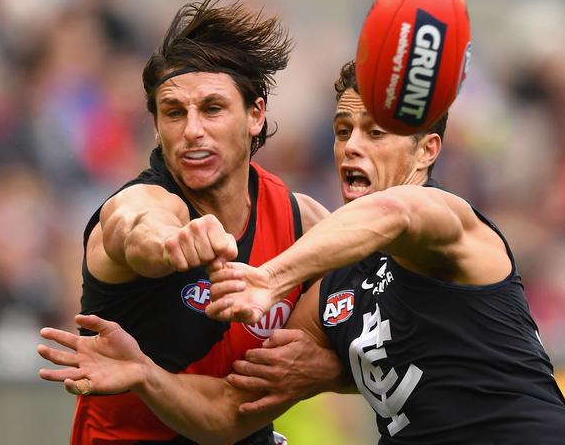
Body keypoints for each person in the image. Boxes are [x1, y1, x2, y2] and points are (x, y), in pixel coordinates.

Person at [39, 60, 565, 444]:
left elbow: (394, 215)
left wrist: (267, 278)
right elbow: (229, 412)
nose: (352, 146)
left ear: (426, 150)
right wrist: (146, 376)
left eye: (376, 132)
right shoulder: (335, 285)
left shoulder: (448, 221)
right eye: (342, 131)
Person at [60, 0, 341, 445]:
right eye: (174, 112)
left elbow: (373, 345)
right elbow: (135, 228)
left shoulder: (303, 223)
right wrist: (170, 244)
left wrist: (329, 370)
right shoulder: (141, 204)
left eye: (212, 109)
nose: (192, 131)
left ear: (256, 114)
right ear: (155, 126)